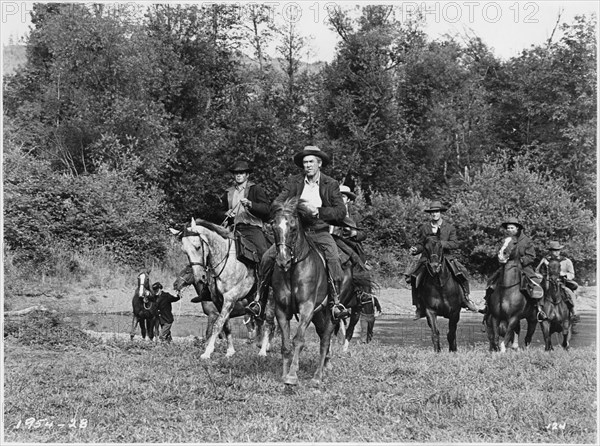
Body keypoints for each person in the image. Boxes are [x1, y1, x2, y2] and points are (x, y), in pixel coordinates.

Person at [246, 145, 349, 321]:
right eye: (305, 162)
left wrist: (318, 211)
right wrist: (287, 208)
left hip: (319, 230)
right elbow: (276, 203)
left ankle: (336, 302)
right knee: (267, 258)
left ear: (319, 163)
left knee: (333, 257)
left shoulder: (330, 184)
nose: (308, 165)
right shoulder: (294, 182)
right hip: (294, 232)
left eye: (311, 162)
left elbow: (340, 211)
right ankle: (259, 301)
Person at [405, 200, 479, 320]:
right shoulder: (424, 228)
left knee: (463, 271)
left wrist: (440, 244)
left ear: (440, 213)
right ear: (430, 214)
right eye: (432, 212)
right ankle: (419, 307)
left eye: (436, 211)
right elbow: (421, 244)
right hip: (428, 258)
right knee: (414, 277)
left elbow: (455, 243)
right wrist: (415, 249)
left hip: (446, 257)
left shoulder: (449, 228)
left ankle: (466, 299)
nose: (434, 214)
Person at [480, 217, 545, 319]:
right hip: (507, 267)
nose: (509, 230)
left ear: (517, 228)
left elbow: (532, 256)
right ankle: (487, 307)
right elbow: (501, 253)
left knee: (537, 284)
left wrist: (521, 261)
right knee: (491, 282)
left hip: (524, 268)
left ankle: (539, 309)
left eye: (511, 228)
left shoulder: (527, 241)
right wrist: (501, 260)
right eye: (508, 228)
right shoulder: (505, 241)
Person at [221, 160, 271, 261]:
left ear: (247, 175)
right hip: (234, 229)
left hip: (252, 228)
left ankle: (264, 276)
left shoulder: (255, 189)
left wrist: (251, 204)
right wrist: (226, 213)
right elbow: (218, 212)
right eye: (236, 173)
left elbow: (266, 209)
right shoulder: (228, 192)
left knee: (264, 253)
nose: (238, 175)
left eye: (241, 173)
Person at [329, 184, 371, 271]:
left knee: (357, 264)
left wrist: (354, 233)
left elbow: (364, 233)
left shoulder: (355, 215)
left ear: (348, 199)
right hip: (330, 241)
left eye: (343, 196)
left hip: (349, 243)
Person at [535, 241, 579, 320]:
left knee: (569, 293)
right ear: (551, 251)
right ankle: (538, 311)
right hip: (548, 282)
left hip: (561, 282)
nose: (556, 252)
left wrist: (564, 274)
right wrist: (542, 276)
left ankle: (574, 312)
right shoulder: (545, 260)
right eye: (554, 250)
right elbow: (537, 271)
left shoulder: (566, 261)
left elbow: (572, 274)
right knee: (538, 293)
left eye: (558, 250)